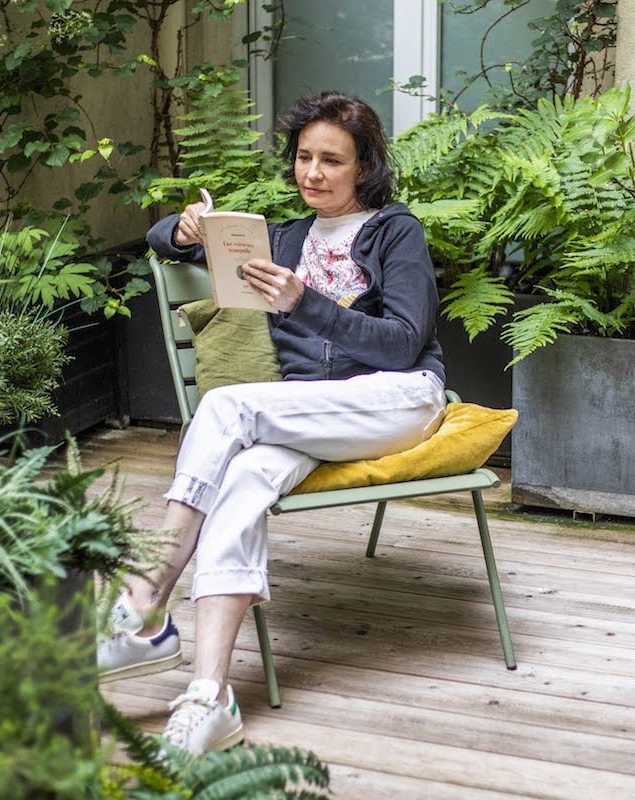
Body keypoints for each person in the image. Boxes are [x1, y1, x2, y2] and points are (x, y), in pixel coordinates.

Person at [96, 91, 446, 755]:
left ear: (365, 167)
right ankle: (210, 694)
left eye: (332, 161)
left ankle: (141, 602)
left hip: (398, 400)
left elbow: (403, 343)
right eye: (304, 158)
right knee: (244, 480)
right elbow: (159, 238)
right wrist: (183, 228)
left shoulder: (396, 230)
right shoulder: (280, 239)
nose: (313, 172)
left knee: (228, 405)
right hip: (307, 413)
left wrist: (302, 301)